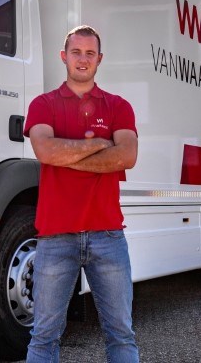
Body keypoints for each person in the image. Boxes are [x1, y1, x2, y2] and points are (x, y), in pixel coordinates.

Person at [23, 25, 140, 363]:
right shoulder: (43, 104)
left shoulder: (118, 106)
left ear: (100, 59)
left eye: (90, 53)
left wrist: (67, 157)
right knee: (43, 337)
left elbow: (127, 156)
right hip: (55, 236)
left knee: (121, 335)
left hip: (108, 235)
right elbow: (45, 151)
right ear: (64, 56)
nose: (83, 59)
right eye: (76, 52)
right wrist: (99, 145)